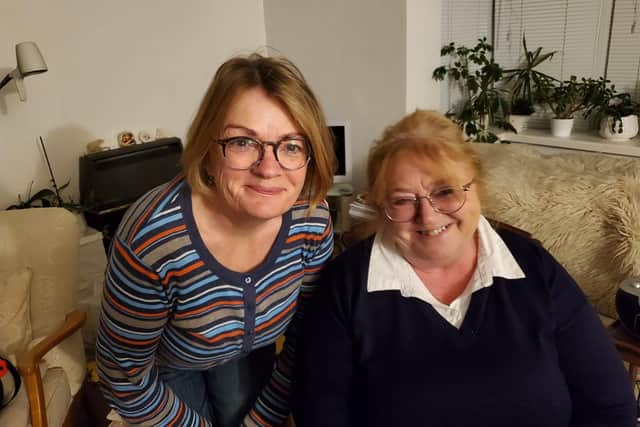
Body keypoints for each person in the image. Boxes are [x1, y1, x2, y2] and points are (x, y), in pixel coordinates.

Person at [292, 110, 635, 427]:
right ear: (381, 207)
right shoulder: (345, 285)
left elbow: (610, 405)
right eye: (402, 200)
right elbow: (320, 415)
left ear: (477, 188)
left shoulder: (532, 266)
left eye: (445, 192)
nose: (427, 216)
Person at [96, 53, 336, 427]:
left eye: (291, 145)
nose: (269, 169)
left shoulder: (312, 219)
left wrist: (262, 419)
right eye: (243, 142)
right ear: (208, 149)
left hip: (252, 351)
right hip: (168, 363)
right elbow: (122, 371)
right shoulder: (154, 237)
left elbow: (306, 333)